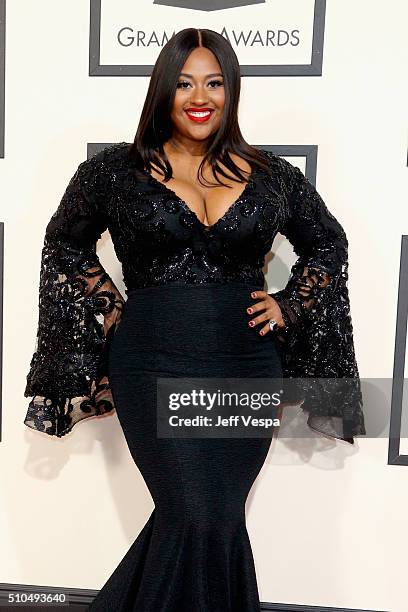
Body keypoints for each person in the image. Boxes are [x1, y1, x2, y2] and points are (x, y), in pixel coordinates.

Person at [23, 28, 365, 612]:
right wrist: (111, 306)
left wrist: (291, 303)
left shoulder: (270, 175)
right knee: (194, 514)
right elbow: (64, 243)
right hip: (151, 361)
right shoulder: (115, 173)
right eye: (183, 83)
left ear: (231, 91)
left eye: (213, 82)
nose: (198, 96)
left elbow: (328, 244)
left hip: (245, 364)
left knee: (217, 518)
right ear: (163, 91)